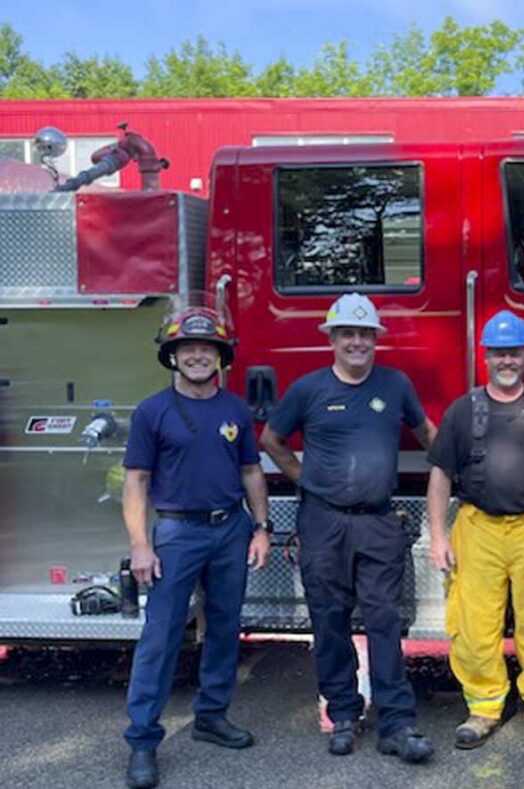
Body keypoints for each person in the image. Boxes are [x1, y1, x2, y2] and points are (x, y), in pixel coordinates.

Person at [260, 292, 436, 763]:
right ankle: (342, 713)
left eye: (364, 334)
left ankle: (397, 723)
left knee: (384, 620)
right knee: (329, 620)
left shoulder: (395, 385)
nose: (357, 342)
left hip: (378, 521)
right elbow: (271, 440)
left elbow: (429, 436)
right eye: (347, 334)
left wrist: (458, 470)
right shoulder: (308, 389)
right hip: (322, 522)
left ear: (375, 339)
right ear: (333, 339)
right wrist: (304, 479)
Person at [123, 299, 271, 789]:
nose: (197, 356)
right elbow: (136, 482)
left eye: (207, 347)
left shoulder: (234, 410)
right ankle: (143, 741)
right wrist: (141, 545)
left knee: (226, 628)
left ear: (220, 354)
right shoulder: (152, 411)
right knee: (161, 636)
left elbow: (251, 470)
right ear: (172, 354)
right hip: (176, 534)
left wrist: (261, 526)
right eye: (187, 347)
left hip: (230, 529)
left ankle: (211, 717)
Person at [426, 309, 524, 753]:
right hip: (478, 527)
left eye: (513, 352)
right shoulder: (462, 411)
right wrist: (439, 536)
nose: (506, 361)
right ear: (487, 357)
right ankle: (483, 707)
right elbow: (440, 476)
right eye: (498, 353)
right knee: (474, 623)